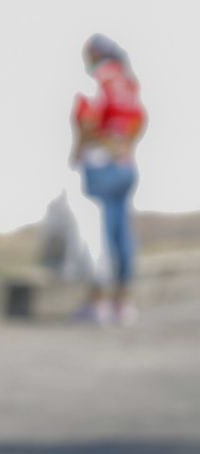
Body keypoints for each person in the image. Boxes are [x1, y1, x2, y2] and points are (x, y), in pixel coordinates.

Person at [71, 33, 146, 326]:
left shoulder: (96, 81)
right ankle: (122, 302)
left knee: (98, 233)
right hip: (125, 165)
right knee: (121, 232)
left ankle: (98, 301)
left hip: (100, 165)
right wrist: (126, 145)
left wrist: (80, 149)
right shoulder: (127, 81)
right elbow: (140, 119)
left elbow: (87, 120)